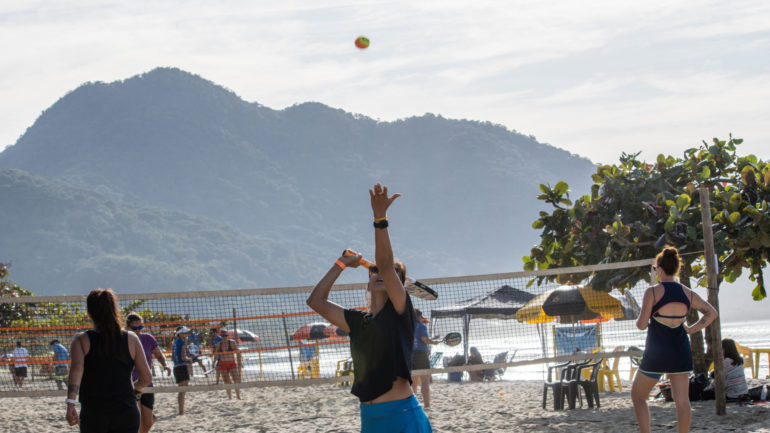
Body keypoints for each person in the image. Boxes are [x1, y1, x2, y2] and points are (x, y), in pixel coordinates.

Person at [307, 183, 432, 433]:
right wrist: (341, 263)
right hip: (370, 420)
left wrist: (379, 218)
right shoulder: (357, 321)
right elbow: (316, 301)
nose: (382, 273)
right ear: (368, 278)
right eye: (373, 270)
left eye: (395, 273)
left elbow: (385, 264)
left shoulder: (401, 311)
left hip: (403, 416)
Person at [631, 247, 718, 433]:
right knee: (682, 400)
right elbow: (712, 313)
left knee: (638, 396)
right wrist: (692, 329)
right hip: (680, 349)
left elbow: (641, 324)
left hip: (657, 351)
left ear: (659, 269)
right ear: (676, 269)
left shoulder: (652, 292)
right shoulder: (686, 292)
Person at [65, 288, 152, 432]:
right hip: (126, 410)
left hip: (94, 412)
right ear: (114, 309)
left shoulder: (81, 340)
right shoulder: (132, 338)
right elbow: (146, 377)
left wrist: (70, 403)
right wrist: (135, 389)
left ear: (90, 312)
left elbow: (76, 370)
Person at [126, 312, 172, 433]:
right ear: (128, 327)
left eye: (140, 327)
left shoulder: (148, 338)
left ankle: (151, 418)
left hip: (147, 385)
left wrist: (165, 365)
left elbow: (158, 353)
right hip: (132, 385)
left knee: (147, 424)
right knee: (137, 421)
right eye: (135, 327)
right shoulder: (124, 339)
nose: (138, 330)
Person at [411, 309, 439, 408]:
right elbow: (425, 340)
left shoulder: (407, 326)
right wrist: (434, 342)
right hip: (421, 355)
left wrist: (432, 340)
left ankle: (413, 405)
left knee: (413, 382)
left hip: (410, 355)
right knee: (425, 380)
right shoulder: (421, 326)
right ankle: (427, 405)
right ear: (418, 317)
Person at [215, 328, 242, 400]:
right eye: (223, 336)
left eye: (225, 336)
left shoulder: (232, 343)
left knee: (236, 379)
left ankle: (238, 396)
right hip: (223, 364)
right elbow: (216, 355)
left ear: (228, 336)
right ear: (221, 336)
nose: (224, 337)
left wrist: (240, 362)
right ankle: (230, 398)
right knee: (227, 381)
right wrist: (214, 363)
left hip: (232, 363)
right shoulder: (219, 344)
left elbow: (238, 352)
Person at [172, 326, 192, 415]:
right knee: (183, 390)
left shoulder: (175, 343)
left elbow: (173, 357)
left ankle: (181, 410)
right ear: (180, 334)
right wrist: (189, 359)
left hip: (176, 367)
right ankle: (181, 411)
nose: (186, 334)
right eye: (185, 333)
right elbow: (183, 358)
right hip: (182, 367)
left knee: (181, 390)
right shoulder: (183, 343)